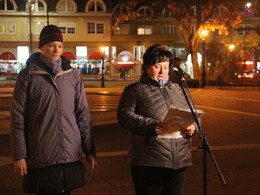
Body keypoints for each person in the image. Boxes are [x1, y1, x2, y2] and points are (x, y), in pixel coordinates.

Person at [10, 25, 97, 195]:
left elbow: (83, 115)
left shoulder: (73, 75)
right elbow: (17, 118)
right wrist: (19, 155)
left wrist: (89, 149)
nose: (56, 49)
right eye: (51, 45)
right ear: (42, 46)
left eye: (60, 45)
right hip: (41, 154)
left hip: (70, 153)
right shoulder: (27, 76)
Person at [117, 44, 198, 195]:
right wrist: (151, 125)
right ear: (147, 67)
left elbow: (192, 115)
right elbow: (124, 115)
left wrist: (193, 127)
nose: (162, 71)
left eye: (166, 67)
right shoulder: (135, 89)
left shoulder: (178, 89)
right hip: (149, 160)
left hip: (179, 160)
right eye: (157, 66)